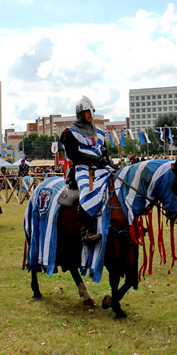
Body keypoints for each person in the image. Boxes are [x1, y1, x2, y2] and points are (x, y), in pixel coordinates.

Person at [59, 96, 110, 246]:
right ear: (80, 113)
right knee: (87, 190)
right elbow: (74, 155)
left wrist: (108, 162)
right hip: (81, 168)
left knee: (115, 186)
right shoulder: (70, 132)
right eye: (86, 111)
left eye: (91, 111)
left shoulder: (100, 132)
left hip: (101, 167)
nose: (89, 114)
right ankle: (85, 231)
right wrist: (95, 159)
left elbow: (104, 152)